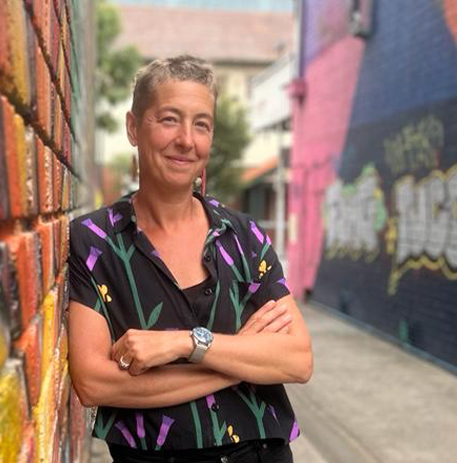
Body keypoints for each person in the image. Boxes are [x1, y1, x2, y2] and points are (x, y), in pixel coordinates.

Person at [68, 55, 313, 463]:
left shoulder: (244, 237)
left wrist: (184, 343)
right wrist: (243, 361)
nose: (186, 139)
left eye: (201, 124)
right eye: (169, 119)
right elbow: (94, 383)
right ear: (133, 127)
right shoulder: (94, 242)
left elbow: (297, 360)